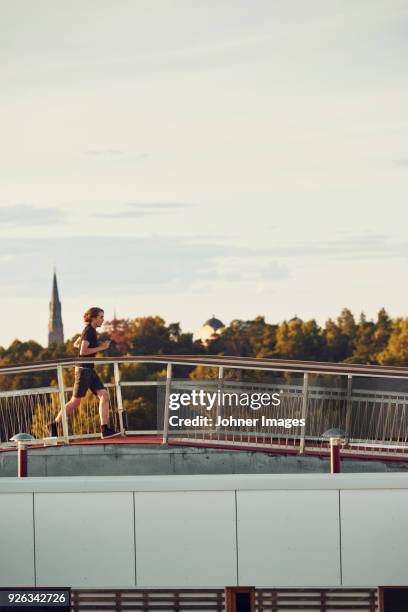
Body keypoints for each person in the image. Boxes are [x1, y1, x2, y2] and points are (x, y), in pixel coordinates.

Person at [48, 307, 118, 439]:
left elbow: (77, 345)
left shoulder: (90, 331)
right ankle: (54, 425)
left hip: (89, 370)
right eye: (101, 317)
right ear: (93, 318)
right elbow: (83, 352)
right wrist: (102, 347)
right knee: (75, 401)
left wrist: (91, 344)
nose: (103, 320)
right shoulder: (89, 331)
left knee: (104, 395)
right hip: (83, 371)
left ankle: (105, 429)